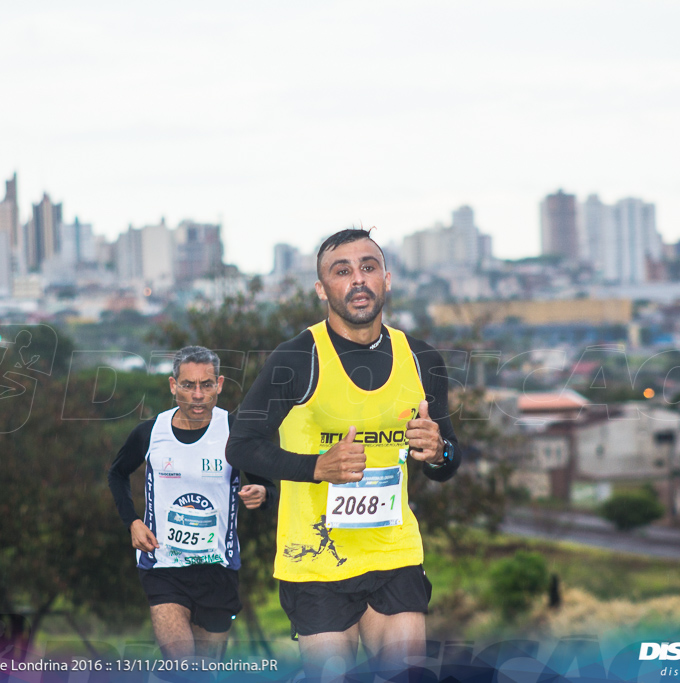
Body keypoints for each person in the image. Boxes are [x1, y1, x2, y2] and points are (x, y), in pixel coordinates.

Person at [226, 228, 460, 679]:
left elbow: (447, 465)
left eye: (368, 268)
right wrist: (316, 467)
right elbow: (241, 445)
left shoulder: (422, 359)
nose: (358, 279)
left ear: (386, 279)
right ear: (322, 288)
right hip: (316, 560)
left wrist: (438, 453)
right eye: (342, 270)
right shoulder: (297, 359)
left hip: (395, 554)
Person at [108, 346, 276, 661]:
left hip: (218, 570)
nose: (197, 394)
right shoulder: (150, 433)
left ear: (220, 385)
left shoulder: (235, 432)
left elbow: (269, 487)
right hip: (163, 566)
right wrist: (132, 521)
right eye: (188, 385)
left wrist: (263, 495)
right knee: (182, 666)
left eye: (206, 385)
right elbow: (117, 474)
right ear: (173, 386)